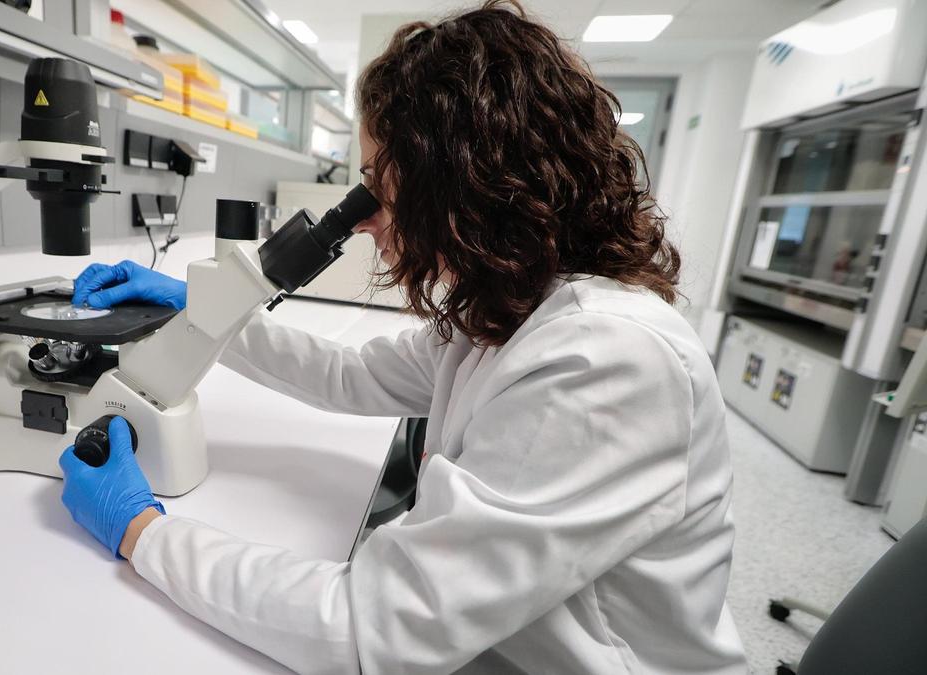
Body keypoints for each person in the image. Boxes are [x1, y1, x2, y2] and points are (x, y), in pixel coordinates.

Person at [57, 1, 747, 673]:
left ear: (462, 183)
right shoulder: (516, 305)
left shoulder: (603, 360)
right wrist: (204, 310)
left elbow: (370, 629)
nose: (362, 220)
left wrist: (143, 532)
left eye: (376, 188)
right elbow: (350, 374)